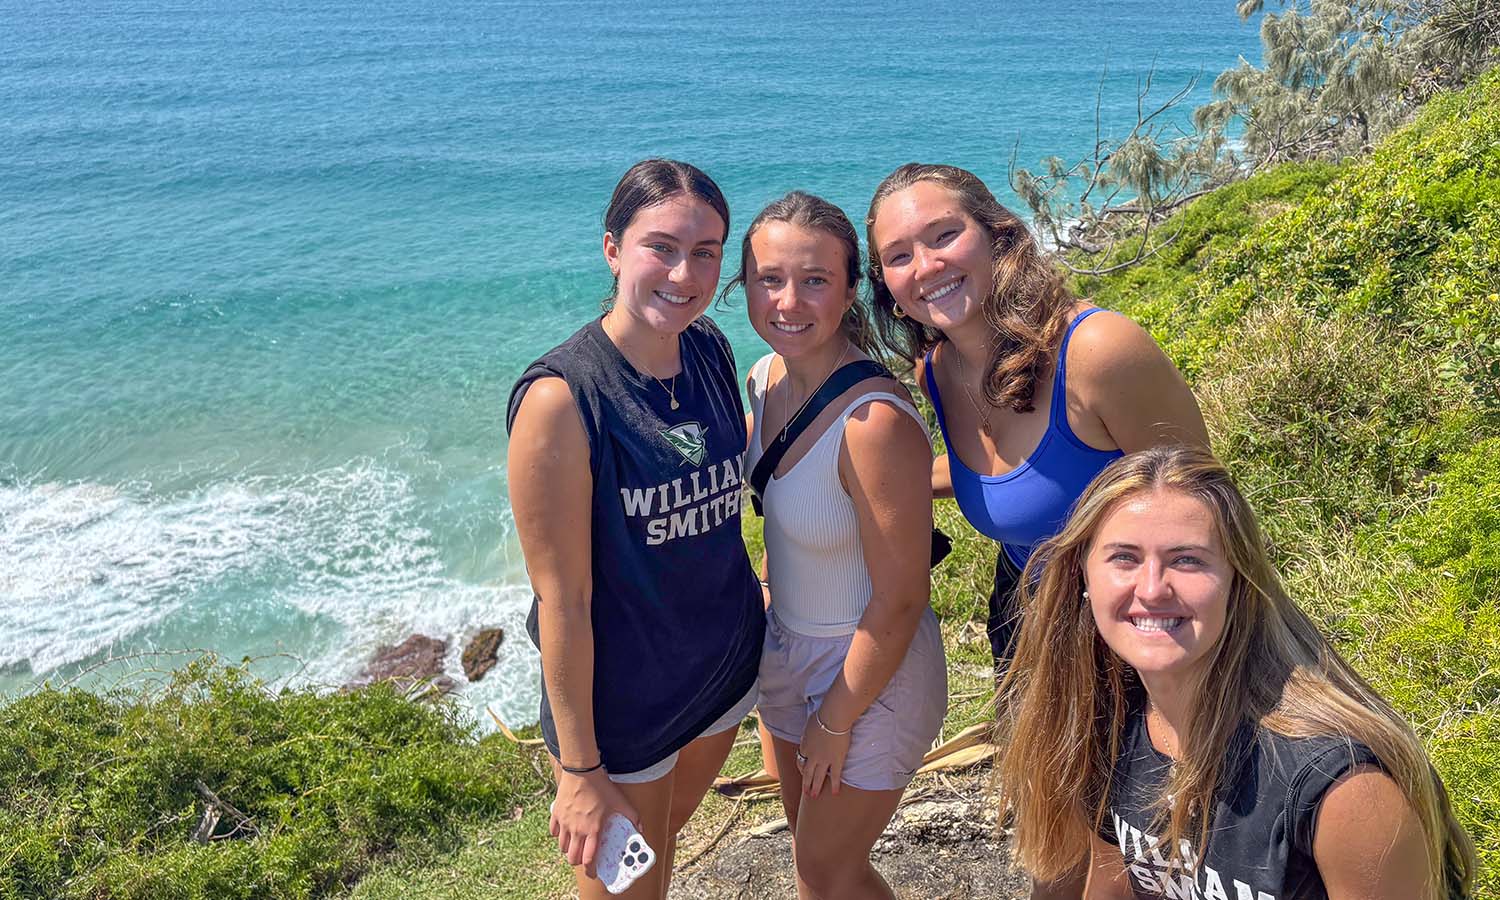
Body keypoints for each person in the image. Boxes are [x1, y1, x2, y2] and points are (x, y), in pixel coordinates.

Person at [993, 446, 1476, 900]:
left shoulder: (1343, 789)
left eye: (1187, 560)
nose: (1152, 588)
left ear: (1237, 581)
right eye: (1125, 558)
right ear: (1082, 575)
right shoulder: (1105, 718)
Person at [505, 159, 763, 899]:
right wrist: (580, 768)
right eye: (662, 247)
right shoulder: (562, 398)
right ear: (613, 249)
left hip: (724, 671)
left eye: (707, 252)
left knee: (663, 847)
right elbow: (563, 599)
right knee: (628, 888)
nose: (685, 274)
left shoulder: (708, 347)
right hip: (625, 713)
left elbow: (716, 479)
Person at [864, 163, 1209, 671]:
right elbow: (1000, 473)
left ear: (997, 236)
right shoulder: (936, 371)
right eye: (899, 256)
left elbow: (1206, 504)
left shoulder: (1096, 351)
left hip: (1144, 622)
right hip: (1024, 617)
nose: (926, 266)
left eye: (945, 235)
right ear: (887, 286)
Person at [731, 191, 946, 899]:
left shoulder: (872, 421)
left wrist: (834, 719)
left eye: (814, 280)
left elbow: (901, 597)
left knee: (828, 868)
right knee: (814, 863)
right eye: (769, 278)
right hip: (789, 652)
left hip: (869, 673)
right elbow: (784, 516)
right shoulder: (764, 380)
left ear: (850, 289)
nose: (788, 301)